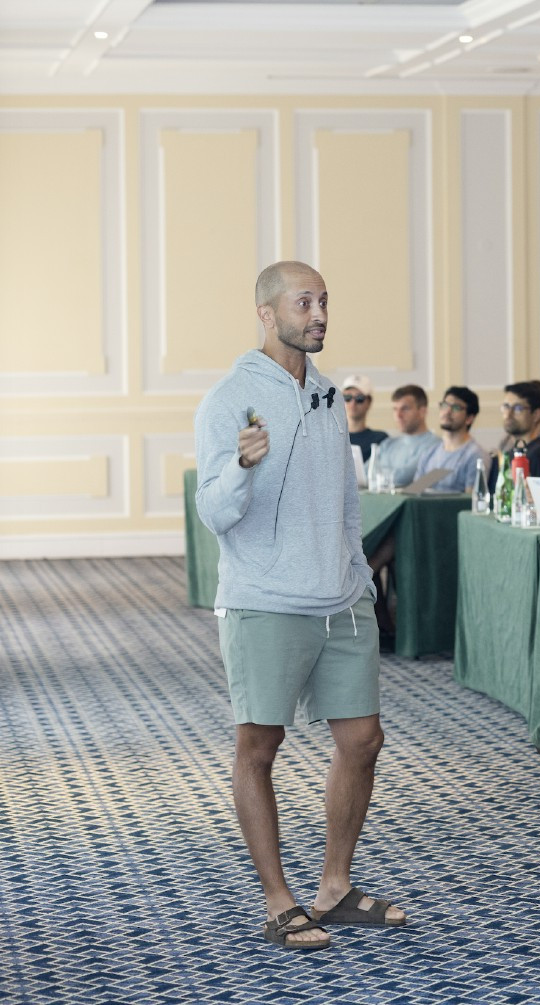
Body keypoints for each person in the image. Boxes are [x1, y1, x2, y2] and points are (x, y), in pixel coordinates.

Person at [193, 261, 404, 951]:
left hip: (341, 597)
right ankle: (279, 899)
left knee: (362, 741)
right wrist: (241, 467)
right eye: (304, 302)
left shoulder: (327, 396)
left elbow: (345, 496)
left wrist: (357, 569)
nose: (319, 314)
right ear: (266, 311)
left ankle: (334, 887)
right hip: (266, 598)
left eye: (324, 302)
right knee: (260, 746)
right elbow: (214, 513)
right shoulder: (228, 399)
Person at [483, 381, 540, 492]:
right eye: (506, 406)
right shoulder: (510, 452)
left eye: (518, 408)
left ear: (536, 415)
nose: (508, 414)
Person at [413, 386, 485, 493]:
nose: (447, 411)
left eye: (456, 408)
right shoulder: (429, 453)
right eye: (444, 405)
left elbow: (473, 501)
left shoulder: (475, 455)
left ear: (469, 418)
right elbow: (415, 493)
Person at [367, 385, 438, 488]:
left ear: (422, 411)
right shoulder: (387, 444)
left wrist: (378, 474)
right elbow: (363, 474)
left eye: (405, 409)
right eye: (395, 409)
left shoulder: (435, 446)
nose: (398, 415)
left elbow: (403, 478)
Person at [341, 375, 387, 463]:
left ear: (369, 402)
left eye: (359, 398)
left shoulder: (381, 440)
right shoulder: (330, 438)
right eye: (347, 398)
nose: (353, 403)